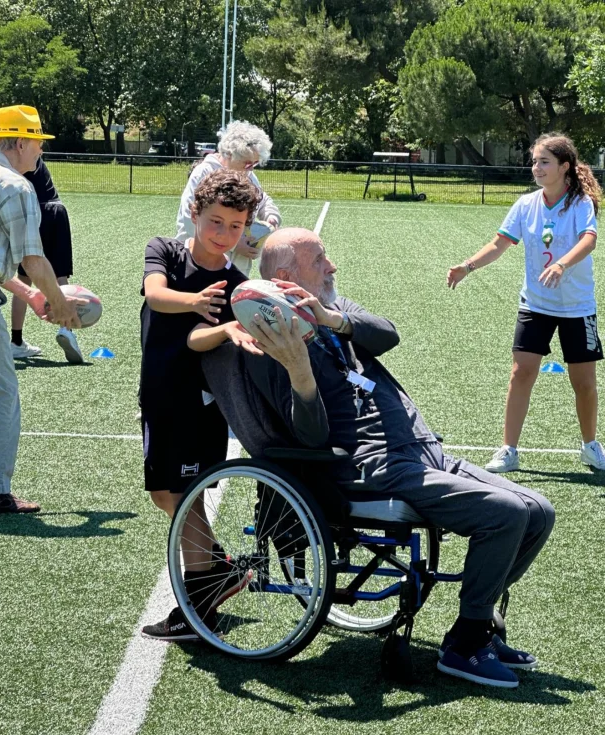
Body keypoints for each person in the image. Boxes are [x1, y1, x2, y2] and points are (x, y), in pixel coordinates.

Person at [218, 226, 555, 689]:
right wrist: (299, 368)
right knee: (507, 513)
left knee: (540, 512)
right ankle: (466, 645)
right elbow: (309, 438)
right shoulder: (267, 339)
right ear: (284, 275)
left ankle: (478, 629)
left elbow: (388, 334)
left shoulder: (336, 309)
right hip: (373, 464)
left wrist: (331, 320)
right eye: (319, 260)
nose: (331, 267)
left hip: (422, 449)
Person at [140, 171, 262, 641]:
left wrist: (228, 327)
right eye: (216, 221)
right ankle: (220, 570)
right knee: (164, 495)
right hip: (157, 393)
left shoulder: (235, 284)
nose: (225, 235)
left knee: (184, 497)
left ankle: (199, 606)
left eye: (236, 226)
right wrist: (196, 300)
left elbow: (198, 339)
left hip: (199, 404)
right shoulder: (164, 251)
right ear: (194, 213)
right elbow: (157, 295)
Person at [447, 134, 604, 473]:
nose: (536, 167)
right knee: (521, 372)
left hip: (576, 307)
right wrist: (467, 266)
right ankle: (509, 450)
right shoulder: (525, 204)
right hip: (535, 304)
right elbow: (500, 243)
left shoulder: (580, 204)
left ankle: (590, 446)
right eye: (534, 161)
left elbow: (589, 240)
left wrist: (561, 264)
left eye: (544, 161)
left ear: (564, 167)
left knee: (584, 383)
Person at [0, 104, 82, 514]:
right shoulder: (16, 186)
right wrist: (61, 303)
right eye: (37, 143)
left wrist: (31, 295)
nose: (40, 152)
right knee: (1, 390)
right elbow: (34, 260)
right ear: (19, 142)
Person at [175, 121, 282, 276]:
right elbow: (190, 220)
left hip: (235, 268)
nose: (251, 168)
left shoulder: (248, 175)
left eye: (255, 163)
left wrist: (271, 217)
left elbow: (262, 199)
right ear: (229, 154)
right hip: (198, 265)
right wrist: (235, 245)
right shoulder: (203, 173)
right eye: (247, 163)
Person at [9, 155, 83, 363]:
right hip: (56, 209)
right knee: (60, 276)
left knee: (24, 280)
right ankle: (66, 330)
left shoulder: (5, 152)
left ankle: (16, 341)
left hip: (34, 212)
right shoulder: (25, 149)